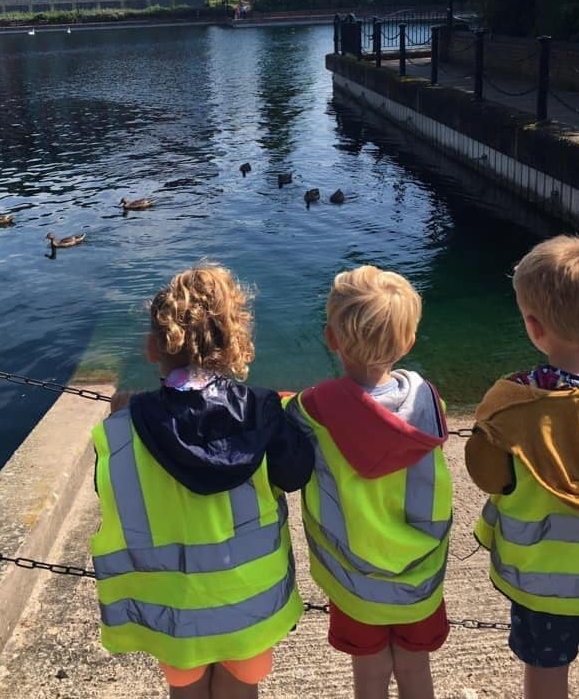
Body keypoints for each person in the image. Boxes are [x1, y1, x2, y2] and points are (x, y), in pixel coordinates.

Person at [91, 264, 314, 699]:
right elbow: (295, 473)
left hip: (176, 616)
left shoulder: (122, 429)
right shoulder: (264, 411)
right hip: (250, 604)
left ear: (153, 347)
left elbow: (110, 491)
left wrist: (122, 414)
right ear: (235, 344)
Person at [285, 265, 452, 699]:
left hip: (355, 576)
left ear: (331, 338)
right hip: (420, 572)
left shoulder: (313, 408)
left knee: (370, 674)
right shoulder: (429, 400)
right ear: (409, 341)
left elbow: (293, 426)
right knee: (417, 669)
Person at [466, 236, 579, 699]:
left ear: (533, 327)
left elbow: (488, 476)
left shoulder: (512, 403)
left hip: (540, 583)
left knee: (544, 677)